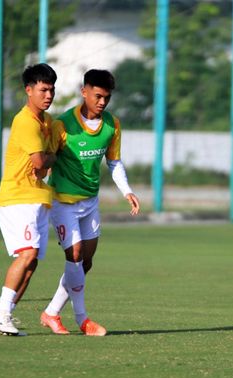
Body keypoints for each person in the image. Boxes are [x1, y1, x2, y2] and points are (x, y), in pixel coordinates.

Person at [40, 69, 140, 336]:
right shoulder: (63, 125)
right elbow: (47, 159)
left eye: (106, 98)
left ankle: (50, 312)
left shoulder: (112, 125)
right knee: (74, 256)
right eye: (97, 96)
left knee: (85, 262)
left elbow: (114, 161)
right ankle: (83, 320)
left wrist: (127, 191)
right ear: (84, 91)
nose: (102, 102)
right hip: (63, 202)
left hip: (90, 203)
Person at [0, 63, 57, 337]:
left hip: (38, 197)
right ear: (29, 90)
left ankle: (1, 319)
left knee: (33, 261)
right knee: (26, 254)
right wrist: (53, 157)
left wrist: (50, 159)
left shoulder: (48, 122)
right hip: (17, 196)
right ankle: (2, 315)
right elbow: (41, 163)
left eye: (51, 89)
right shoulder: (25, 121)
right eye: (42, 89)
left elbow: (45, 164)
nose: (48, 95)